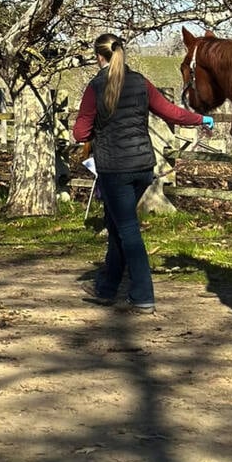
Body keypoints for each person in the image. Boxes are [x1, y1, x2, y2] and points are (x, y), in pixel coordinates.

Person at [73, 33, 214, 314]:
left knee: (126, 229)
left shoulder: (96, 87)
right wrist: (201, 118)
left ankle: (142, 295)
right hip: (142, 167)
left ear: (98, 56)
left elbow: (80, 133)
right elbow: (171, 113)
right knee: (117, 225)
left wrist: (94, 131)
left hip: (114, 168)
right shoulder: (140, 82)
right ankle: (106, 287)